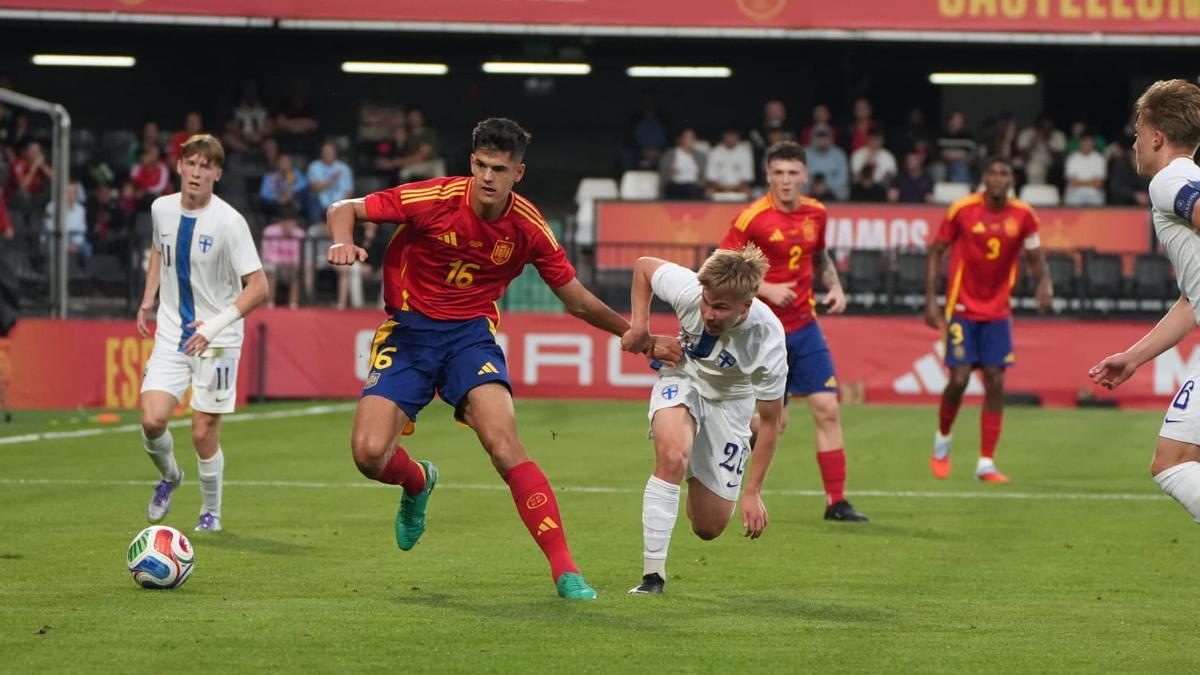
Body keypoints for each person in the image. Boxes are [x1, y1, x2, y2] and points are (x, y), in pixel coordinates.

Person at [324, 117, 681, 600]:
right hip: (408, 334)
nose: (488, 177)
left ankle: (566, 570)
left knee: (504, 443)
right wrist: (342, 240)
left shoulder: (529, 227)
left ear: (519, 172)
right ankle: (417, 481)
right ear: (471, 163)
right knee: (368, 455)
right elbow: (343, 207)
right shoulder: (433, 199)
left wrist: (637, 334)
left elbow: (575, 299)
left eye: (500, 168)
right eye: (481, 165)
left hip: (470, 338)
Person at [620, 246, 786, 595]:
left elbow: (774, 421)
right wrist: (640, 326)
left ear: (747, 304)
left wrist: (753, 492)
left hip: (732, 402)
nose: (708, 313)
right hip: (683, 378)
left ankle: (743, 431)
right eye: (706, 302)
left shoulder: (767, 338)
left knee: (708, 527)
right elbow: (644, 267)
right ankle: (653, 577)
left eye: (721, 307)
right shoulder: (689, 289)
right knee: (671, 457)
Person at [719, 141, 870, 522]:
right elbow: (722, 264)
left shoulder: (816, 213)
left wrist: (834, 286)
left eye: (792, 173)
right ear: (768, 175)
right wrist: (764, 289)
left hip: (805, 326)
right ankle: (725, 462)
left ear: (803, 175)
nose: (786, 181)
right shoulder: (751, 217)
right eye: (779, 173)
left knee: (827, 409)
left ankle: (836, 502)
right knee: (774, 423)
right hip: (762, 333)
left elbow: (819, 258)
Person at [136, 134, 268, 532]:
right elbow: (160, 250)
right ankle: (171, 477)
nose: (196, 172)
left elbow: (260, 287)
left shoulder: (229, 223)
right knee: (152, 420)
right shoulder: (162, 209)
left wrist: (213, 326)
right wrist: (148, 299)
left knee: (202, 433)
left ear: (217, 173)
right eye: (190, 164)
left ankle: (211, 511)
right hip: (174, 332)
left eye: (205, 166)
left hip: (219, 340)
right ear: (179, 167)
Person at [1089, 79, 1200, 523]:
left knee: (1171, 463)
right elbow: (1192, 302)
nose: (1134, 144)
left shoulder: (1170, 179)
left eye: (1137, 133)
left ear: (1157, 136)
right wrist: (1134, 357)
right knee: (1179, 456)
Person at [924, 156, 1053, 483]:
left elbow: (1035, 256)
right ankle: (943, 439)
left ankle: (986, 462)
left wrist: (1044, 284)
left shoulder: (1024, 215)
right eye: (993, 173)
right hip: (962, 309)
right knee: (959, 379)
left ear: (1012, 179)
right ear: (984, 178)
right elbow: (936, 250)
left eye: (1004, 172)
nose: (998, 178)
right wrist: (931, 301)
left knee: (996, 381)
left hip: (998, 311)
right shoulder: (962, 210)